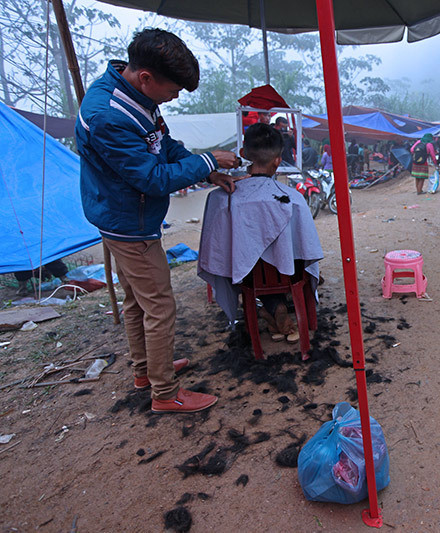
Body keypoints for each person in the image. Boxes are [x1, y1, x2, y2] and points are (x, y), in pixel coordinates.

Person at [75, 29, 239, 414]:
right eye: (174, 89)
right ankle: (165, 393)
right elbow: (152, 177)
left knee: (137, 300)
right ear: (147, 77)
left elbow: (162, 145)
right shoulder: (108, 116)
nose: (175, 97)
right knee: (160, 306)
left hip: (128, 214)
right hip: (128, 224)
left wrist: (206, 170)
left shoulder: (139, 96)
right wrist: (209, 160)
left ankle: (145, 370)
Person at [197, 123, 323, 354]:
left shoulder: (221, 198)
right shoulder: (293, 198)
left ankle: (270, 308)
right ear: (278, 161)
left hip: (244, 276)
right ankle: (278, 306)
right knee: (288, 258)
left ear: (242, 154)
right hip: (288, 274)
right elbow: (308, 248)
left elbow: (216, 251)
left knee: (252, 259)